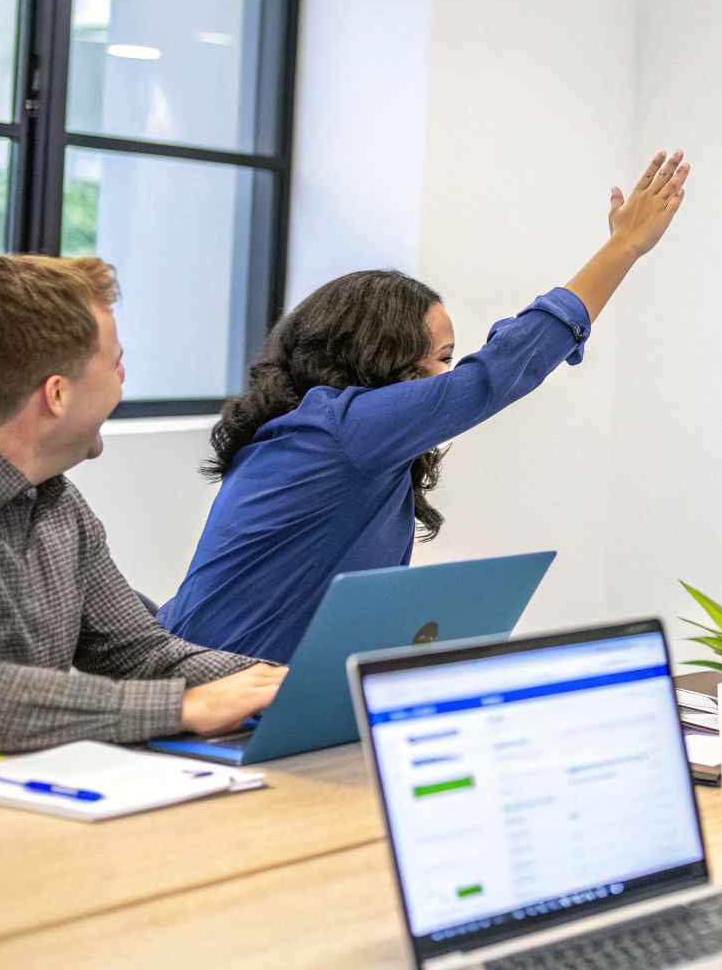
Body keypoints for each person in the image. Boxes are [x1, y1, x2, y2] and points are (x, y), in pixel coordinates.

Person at [163, 150, 691, 663]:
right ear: (380, 356)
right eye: (440, 359)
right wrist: (623, 246)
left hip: (249, 691)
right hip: (206, 695)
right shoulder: (340, 430)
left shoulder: (344, 439)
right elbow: (495, 375)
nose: (447, 378)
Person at [0, 255, 285, 757]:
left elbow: (139, 653)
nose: (124, 378)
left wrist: (279, 683)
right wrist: (182, 708)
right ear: (57, 394)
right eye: (114, 363)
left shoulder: (57, 502)